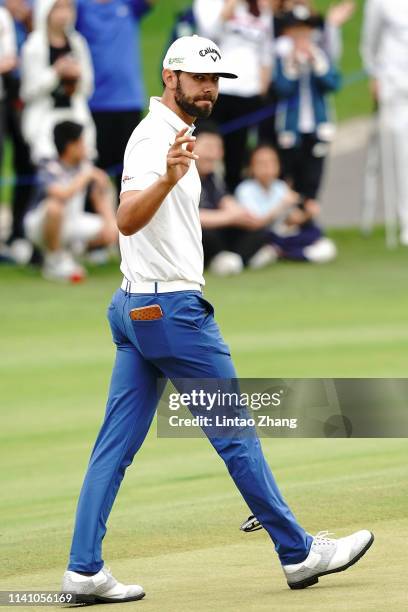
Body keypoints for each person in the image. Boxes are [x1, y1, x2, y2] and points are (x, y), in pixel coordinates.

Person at [60, 34, 374, 603]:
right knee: (237, 436)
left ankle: (83, 568)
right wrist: (167, 178)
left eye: (214, 79)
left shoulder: (175, 135)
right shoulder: (151, 139)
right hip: (170, 313)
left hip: (137, 309)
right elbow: (126, 220)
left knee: (115, 446)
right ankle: (299, 553)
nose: (208, 88)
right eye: (196, 77)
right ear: (168, 77)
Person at [75, 0, 156, 195]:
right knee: (95, 174)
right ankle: (100, 222)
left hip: (127, 102)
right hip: (93, 103)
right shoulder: (80, 7)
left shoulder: (127, 4)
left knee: (129, 174)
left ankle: (127, 224)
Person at [194, 0, 274, 191]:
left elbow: (266, 49)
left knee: (237, 154)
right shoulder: (208, 3)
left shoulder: (260, 7)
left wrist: (263, 84)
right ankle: (204, 196)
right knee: (206, 146)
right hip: (218, 89)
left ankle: (231, 196)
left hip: (249, 92)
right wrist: (230, 5)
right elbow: (208, 35)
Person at [23, 120, 117, 281]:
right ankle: (54, 260)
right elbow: (61, 194)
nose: (85, 148)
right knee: (55, 207)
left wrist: (112, 226)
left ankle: (70, 256)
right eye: (81, 143)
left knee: (111, 227)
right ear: (70, 146)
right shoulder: (49, 166)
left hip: (72, 223)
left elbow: (100, 197)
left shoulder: (86, 167)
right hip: (39, 225)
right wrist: (86, 175)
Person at [273, 11, 341, 216]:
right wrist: (292, 65)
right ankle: (291, 222)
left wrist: (315, 63)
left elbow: (332, 84)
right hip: (290, 128)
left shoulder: (320, 53)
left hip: (317, 127)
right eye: (296, 30)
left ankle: (309, 223)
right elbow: (281, 89)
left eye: (305, 30)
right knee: (290, 176)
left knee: (313, 177)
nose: (301, 35)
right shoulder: (282, 55)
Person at [20, 0, 96, 165]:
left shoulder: (77, 43)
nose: (64, 14)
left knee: (82, 166)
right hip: (45, 120)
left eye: (68, 7)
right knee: (51, 172)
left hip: (75, 116)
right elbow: (28, 91)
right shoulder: (34, 46)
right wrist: (56, 72)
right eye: (58, 8)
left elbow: (88, 87)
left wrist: (76, 76)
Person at [196, 124, 278, 274]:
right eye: (208, 147)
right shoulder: (180, 176)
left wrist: (246, 217)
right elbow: (191, 217)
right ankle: (231, 259)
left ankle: (233, 260)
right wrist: (230, 217)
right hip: (199, 232)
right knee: (204, 234)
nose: (214, 154)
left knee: (258, 231)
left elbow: (226, 201)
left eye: (218, 148)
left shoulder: (212, 177)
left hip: (219, 228)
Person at [235, 144, 337, 261]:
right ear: (251, 167)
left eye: (271, 162)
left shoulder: (280, 187)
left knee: (317, 234)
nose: (267, 167)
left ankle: (286, 252)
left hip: (281, 234)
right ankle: (286, 252)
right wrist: (281, 205)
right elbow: (257, 222)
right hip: (260, 236)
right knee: (264, 239)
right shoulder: (245, 189)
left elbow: (291, 220)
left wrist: (307, 214)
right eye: (262, 163)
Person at [361, 0, 408, 246]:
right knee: (401, 155)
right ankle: (405, 221)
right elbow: (370, 41)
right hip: (394, 84)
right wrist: (375, 74)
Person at [2, 0, 34, 264]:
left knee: (28, 162)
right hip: (4, 92)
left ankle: (18, 233)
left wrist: (28, 17)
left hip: (27, 95)